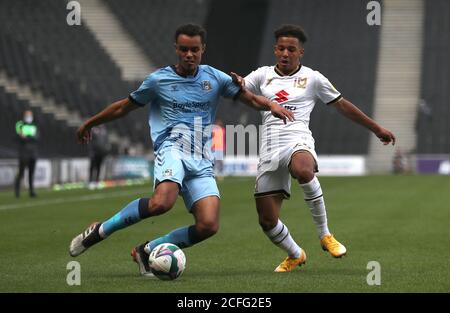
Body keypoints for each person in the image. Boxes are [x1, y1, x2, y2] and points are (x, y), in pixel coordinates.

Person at [69, 23, 294, 276]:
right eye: (184, 49)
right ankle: (100, 230)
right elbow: (124, 106)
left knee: (208, 225)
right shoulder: (158, 80)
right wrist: (90, 122)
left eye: (194, 50)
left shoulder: (214, 78)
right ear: (176, 49)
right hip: (171, 149)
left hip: (201, 158)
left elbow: (250, 98)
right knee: (161, 203)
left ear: (203, 49)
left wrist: (270, 105)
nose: (189, 55)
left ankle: (147, 250)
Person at [232, 24, 396, 272]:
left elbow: (342, 105)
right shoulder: (262, 75)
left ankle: (325, 235)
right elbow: (241, 87)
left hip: (298, 140)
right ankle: (295, 254)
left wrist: (376, 128)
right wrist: (234, 82)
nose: (285, 53)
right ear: (275, 50)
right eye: (281, 49)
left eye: (291, 49)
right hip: (269, 149)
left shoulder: (313, 78)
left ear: (301, 52)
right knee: (267, 221)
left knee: (304, 170)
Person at [14, 110, 39, 198]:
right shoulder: (20, 125)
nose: (29, 117)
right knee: (21, 173)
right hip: (23, 153)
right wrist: (28, 137)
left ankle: (31, 191)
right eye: (27, 115)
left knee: (31, 173)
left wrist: (26, 137)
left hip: (33, 153)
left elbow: (36, 138)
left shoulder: (34, 125)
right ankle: (17, 191)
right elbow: (18, 136)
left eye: (30, 115)